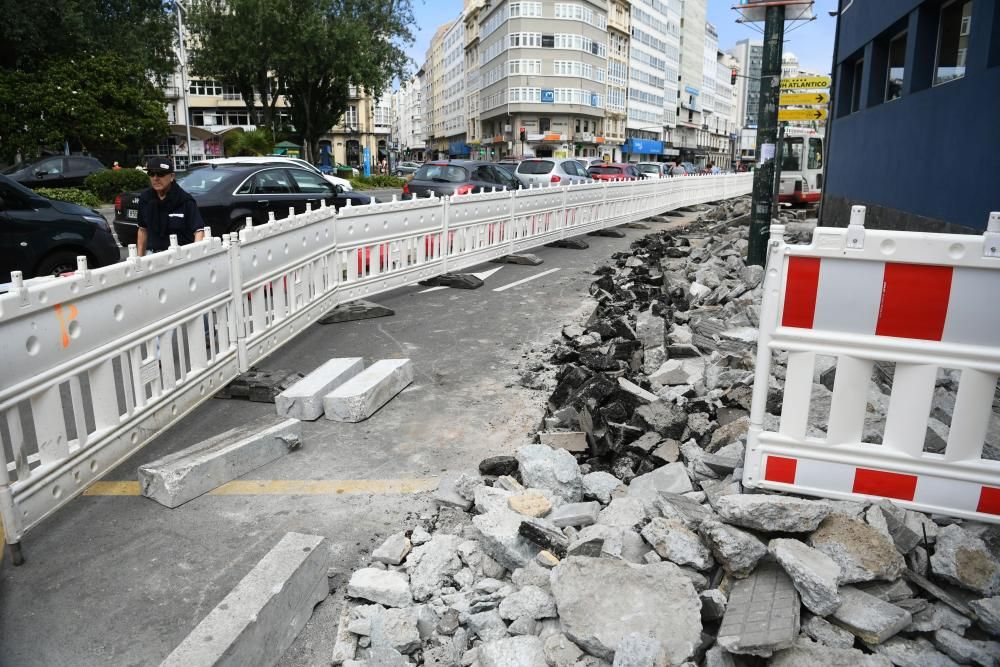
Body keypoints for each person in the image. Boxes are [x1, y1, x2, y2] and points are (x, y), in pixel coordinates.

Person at [136, 158, 205, 256]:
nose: (155, 178)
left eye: (160, 174)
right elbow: (142, 230)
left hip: (180, 256)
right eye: (151, 174)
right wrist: (139, 260)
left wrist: (194, 256)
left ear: (172, 176)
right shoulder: (145, 199)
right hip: (152, 255)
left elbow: (199, 231)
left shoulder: (185, 200)